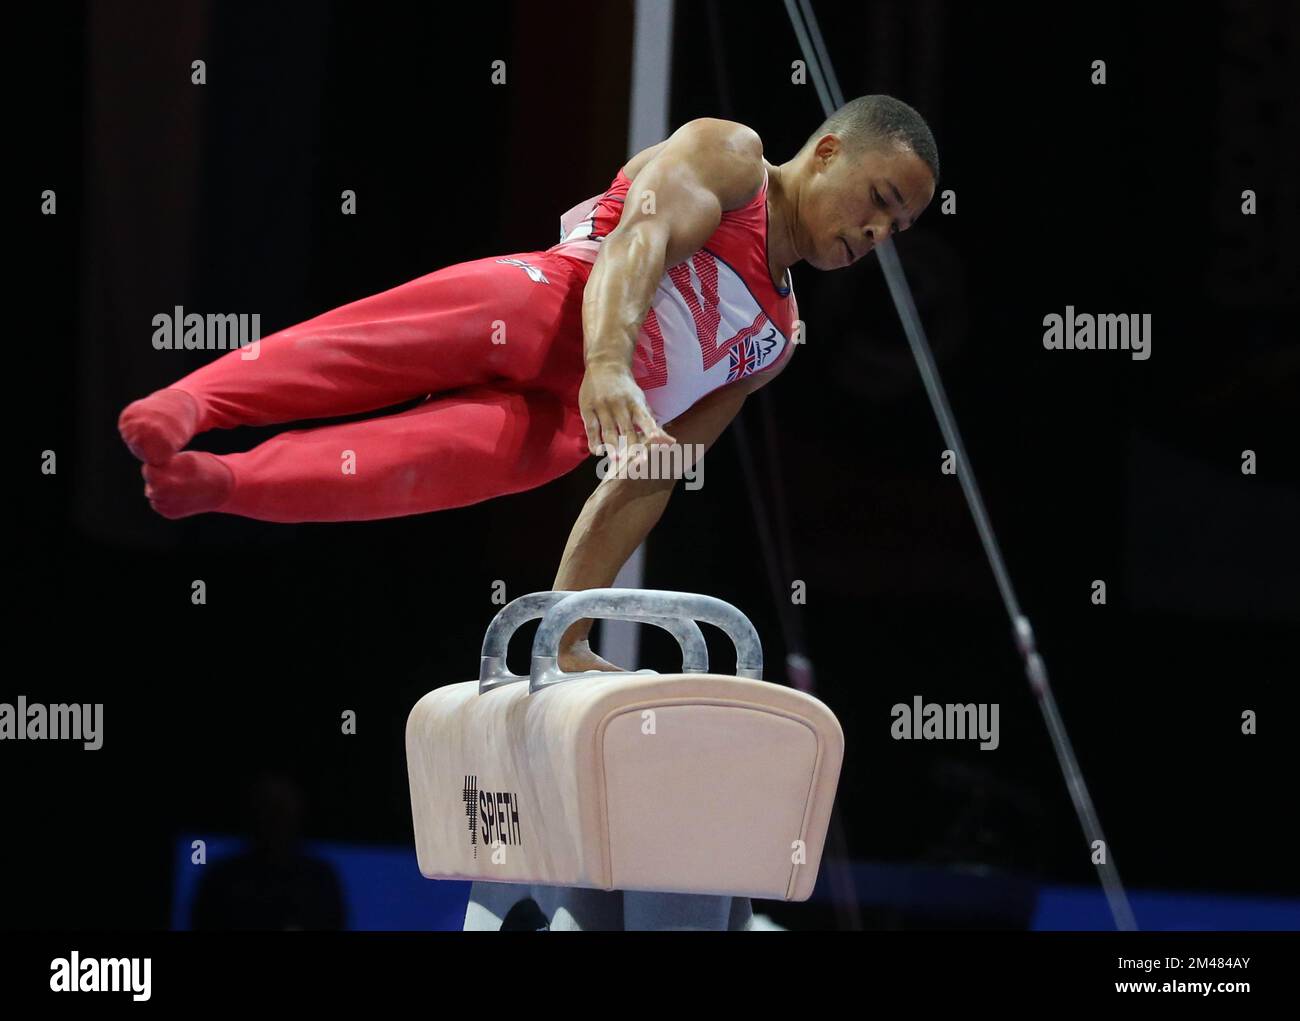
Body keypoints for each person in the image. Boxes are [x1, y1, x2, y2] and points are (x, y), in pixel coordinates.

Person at [118, 94, 938, 671]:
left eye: (897, 226)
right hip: (546, 304)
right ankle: (188, 404)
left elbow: (652, 473)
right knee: (358, 351)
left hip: (560, 430)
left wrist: (568, 623)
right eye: (880, 198)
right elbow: (638, 243)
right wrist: (610, 363)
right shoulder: (734, 161)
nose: (878, 231)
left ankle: (215, 480)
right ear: (829, 151)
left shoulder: (775, 342)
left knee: (395, 471)